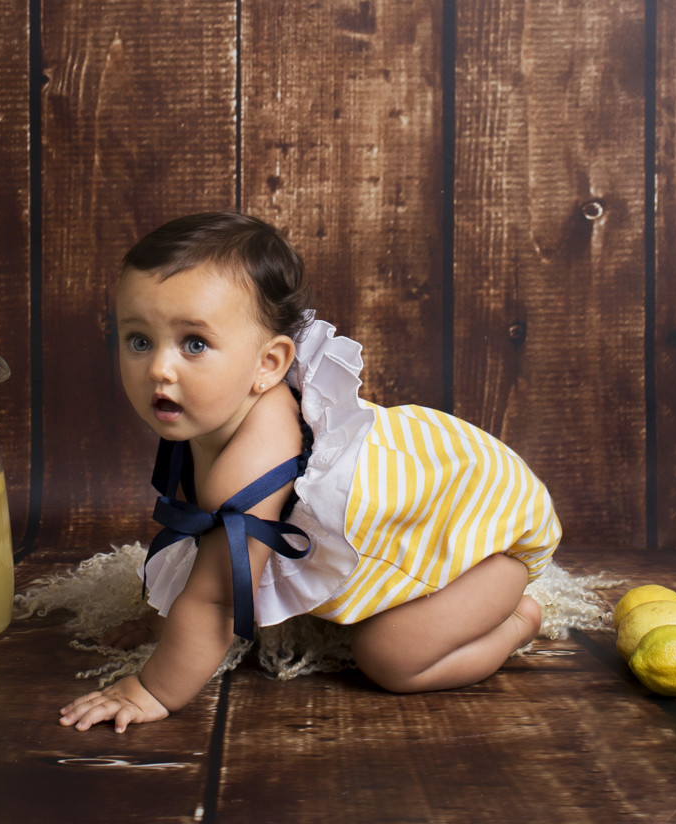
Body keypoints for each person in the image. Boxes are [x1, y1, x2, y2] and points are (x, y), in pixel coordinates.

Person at [59, 212, 561, 733]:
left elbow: (217, 597)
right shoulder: (210, 415)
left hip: (483, 539)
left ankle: (517, 618)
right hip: (452, 508)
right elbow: (196, 536)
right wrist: (158, 616)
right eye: (139, 341)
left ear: (269, 364)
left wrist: (151, 688)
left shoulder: (258, 457)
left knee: (390, 656)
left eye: (194, 344)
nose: (159, 369)